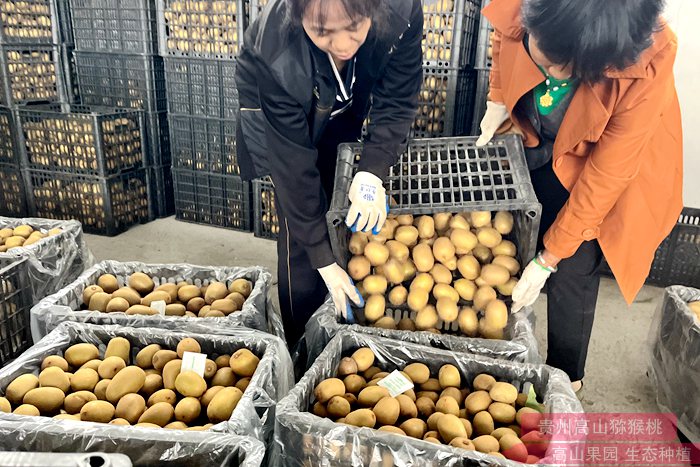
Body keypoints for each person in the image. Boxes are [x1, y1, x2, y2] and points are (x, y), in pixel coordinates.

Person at [476, 0, 683, 391]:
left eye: (563, 68)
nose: (550, 73)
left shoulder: (649, 56)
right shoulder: (531, 6)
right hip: (539, 130)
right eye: (544, 56)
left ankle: (567, 381)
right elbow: (505, 33)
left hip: (597, 152)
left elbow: (606, 175)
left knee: (574, 261)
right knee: (519, 222)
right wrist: (498, 96)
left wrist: (549, 257)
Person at [235, 0, 423, 348]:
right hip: (279, 110)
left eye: (354, 27)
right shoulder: (274, 51)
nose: (342, 44)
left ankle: (341, 326)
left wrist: (371, 173)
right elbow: (293, 168)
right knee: (302, 233)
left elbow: (397, 98)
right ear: (298, 15)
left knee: (341, 185)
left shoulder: (400, 11)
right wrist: (322, 259)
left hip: (338, 95)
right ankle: (301, 346)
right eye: (323, 31)